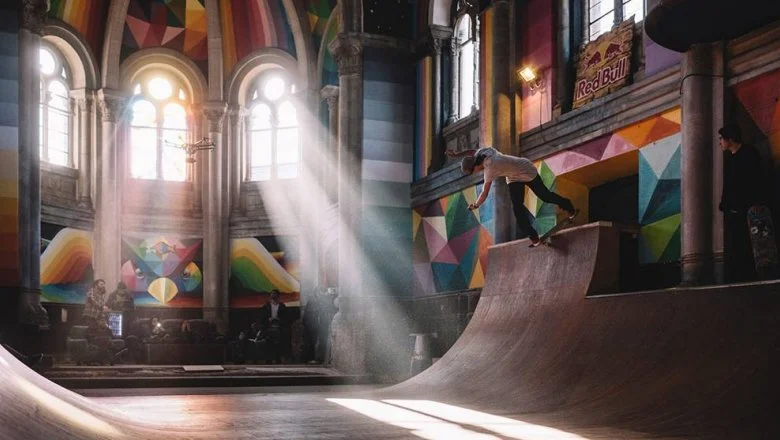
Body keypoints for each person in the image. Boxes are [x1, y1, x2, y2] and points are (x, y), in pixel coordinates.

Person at [448, 147, 577, 246]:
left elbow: (484, 192)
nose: (475, 173)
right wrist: (457, 155)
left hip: (526, 170)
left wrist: (476, 204)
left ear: (475, 166)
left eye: (473, 172)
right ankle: (534, 237)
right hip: (513, 177)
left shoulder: (490, 167)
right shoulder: (482, 152)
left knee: (545, 196)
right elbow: (471, 152)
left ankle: (568, 206)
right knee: (517, 208)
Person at [718, 124, 770, 282]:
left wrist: (750, 204)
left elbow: (755, 181)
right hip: (734, 211)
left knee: (753, 243)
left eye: (721, 138)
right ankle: (741, 276)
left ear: (730, 139)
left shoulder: (748, 153)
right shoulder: (730, 159)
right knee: (738, 244)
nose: (720, 142)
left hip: (749, 209)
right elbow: (729, 186)